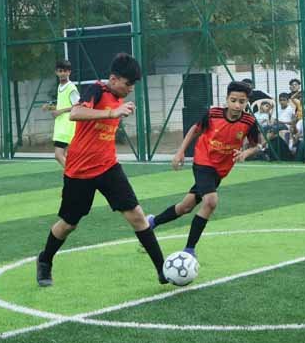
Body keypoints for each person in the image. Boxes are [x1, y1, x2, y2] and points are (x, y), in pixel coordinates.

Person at [35, 53, 167, 287]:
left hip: (108, 167)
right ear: (114, 79)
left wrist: (119, 109)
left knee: (136, 215)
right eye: (128, 84)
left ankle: (162, 269)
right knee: (68, 224)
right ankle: (45, 259)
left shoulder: (119, 98)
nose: (130, 89)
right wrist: (111, 112)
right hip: (79, 172)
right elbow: (75, 113)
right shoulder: (95, 90)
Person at [146, 81, 262, 258]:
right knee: (211, 201)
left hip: (220, 170)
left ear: (247, 102)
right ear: (227, 99)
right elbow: (195, 129)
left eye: (242, 101)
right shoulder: (213, 114)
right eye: (233, 100)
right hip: (203, 161)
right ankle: (189, 250)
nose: (237, 105)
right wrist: (181, 151)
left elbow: (257, 145)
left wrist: (246, 153)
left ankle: (152, 222)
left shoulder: (249, 121)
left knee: (185, 207)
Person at [43, 60, 80, 168]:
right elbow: (62, 105)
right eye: (60, 71)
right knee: (65, 155)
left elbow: (78, 106)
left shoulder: (71, 88)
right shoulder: (60, 86)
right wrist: (50, 108)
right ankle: (75, 175)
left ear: (69, 72)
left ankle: (72, 175)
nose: (63, 73)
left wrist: (60, 111)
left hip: (67, 126)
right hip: (61, 126)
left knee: (58, 155)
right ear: (56, 72)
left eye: (65, 71)